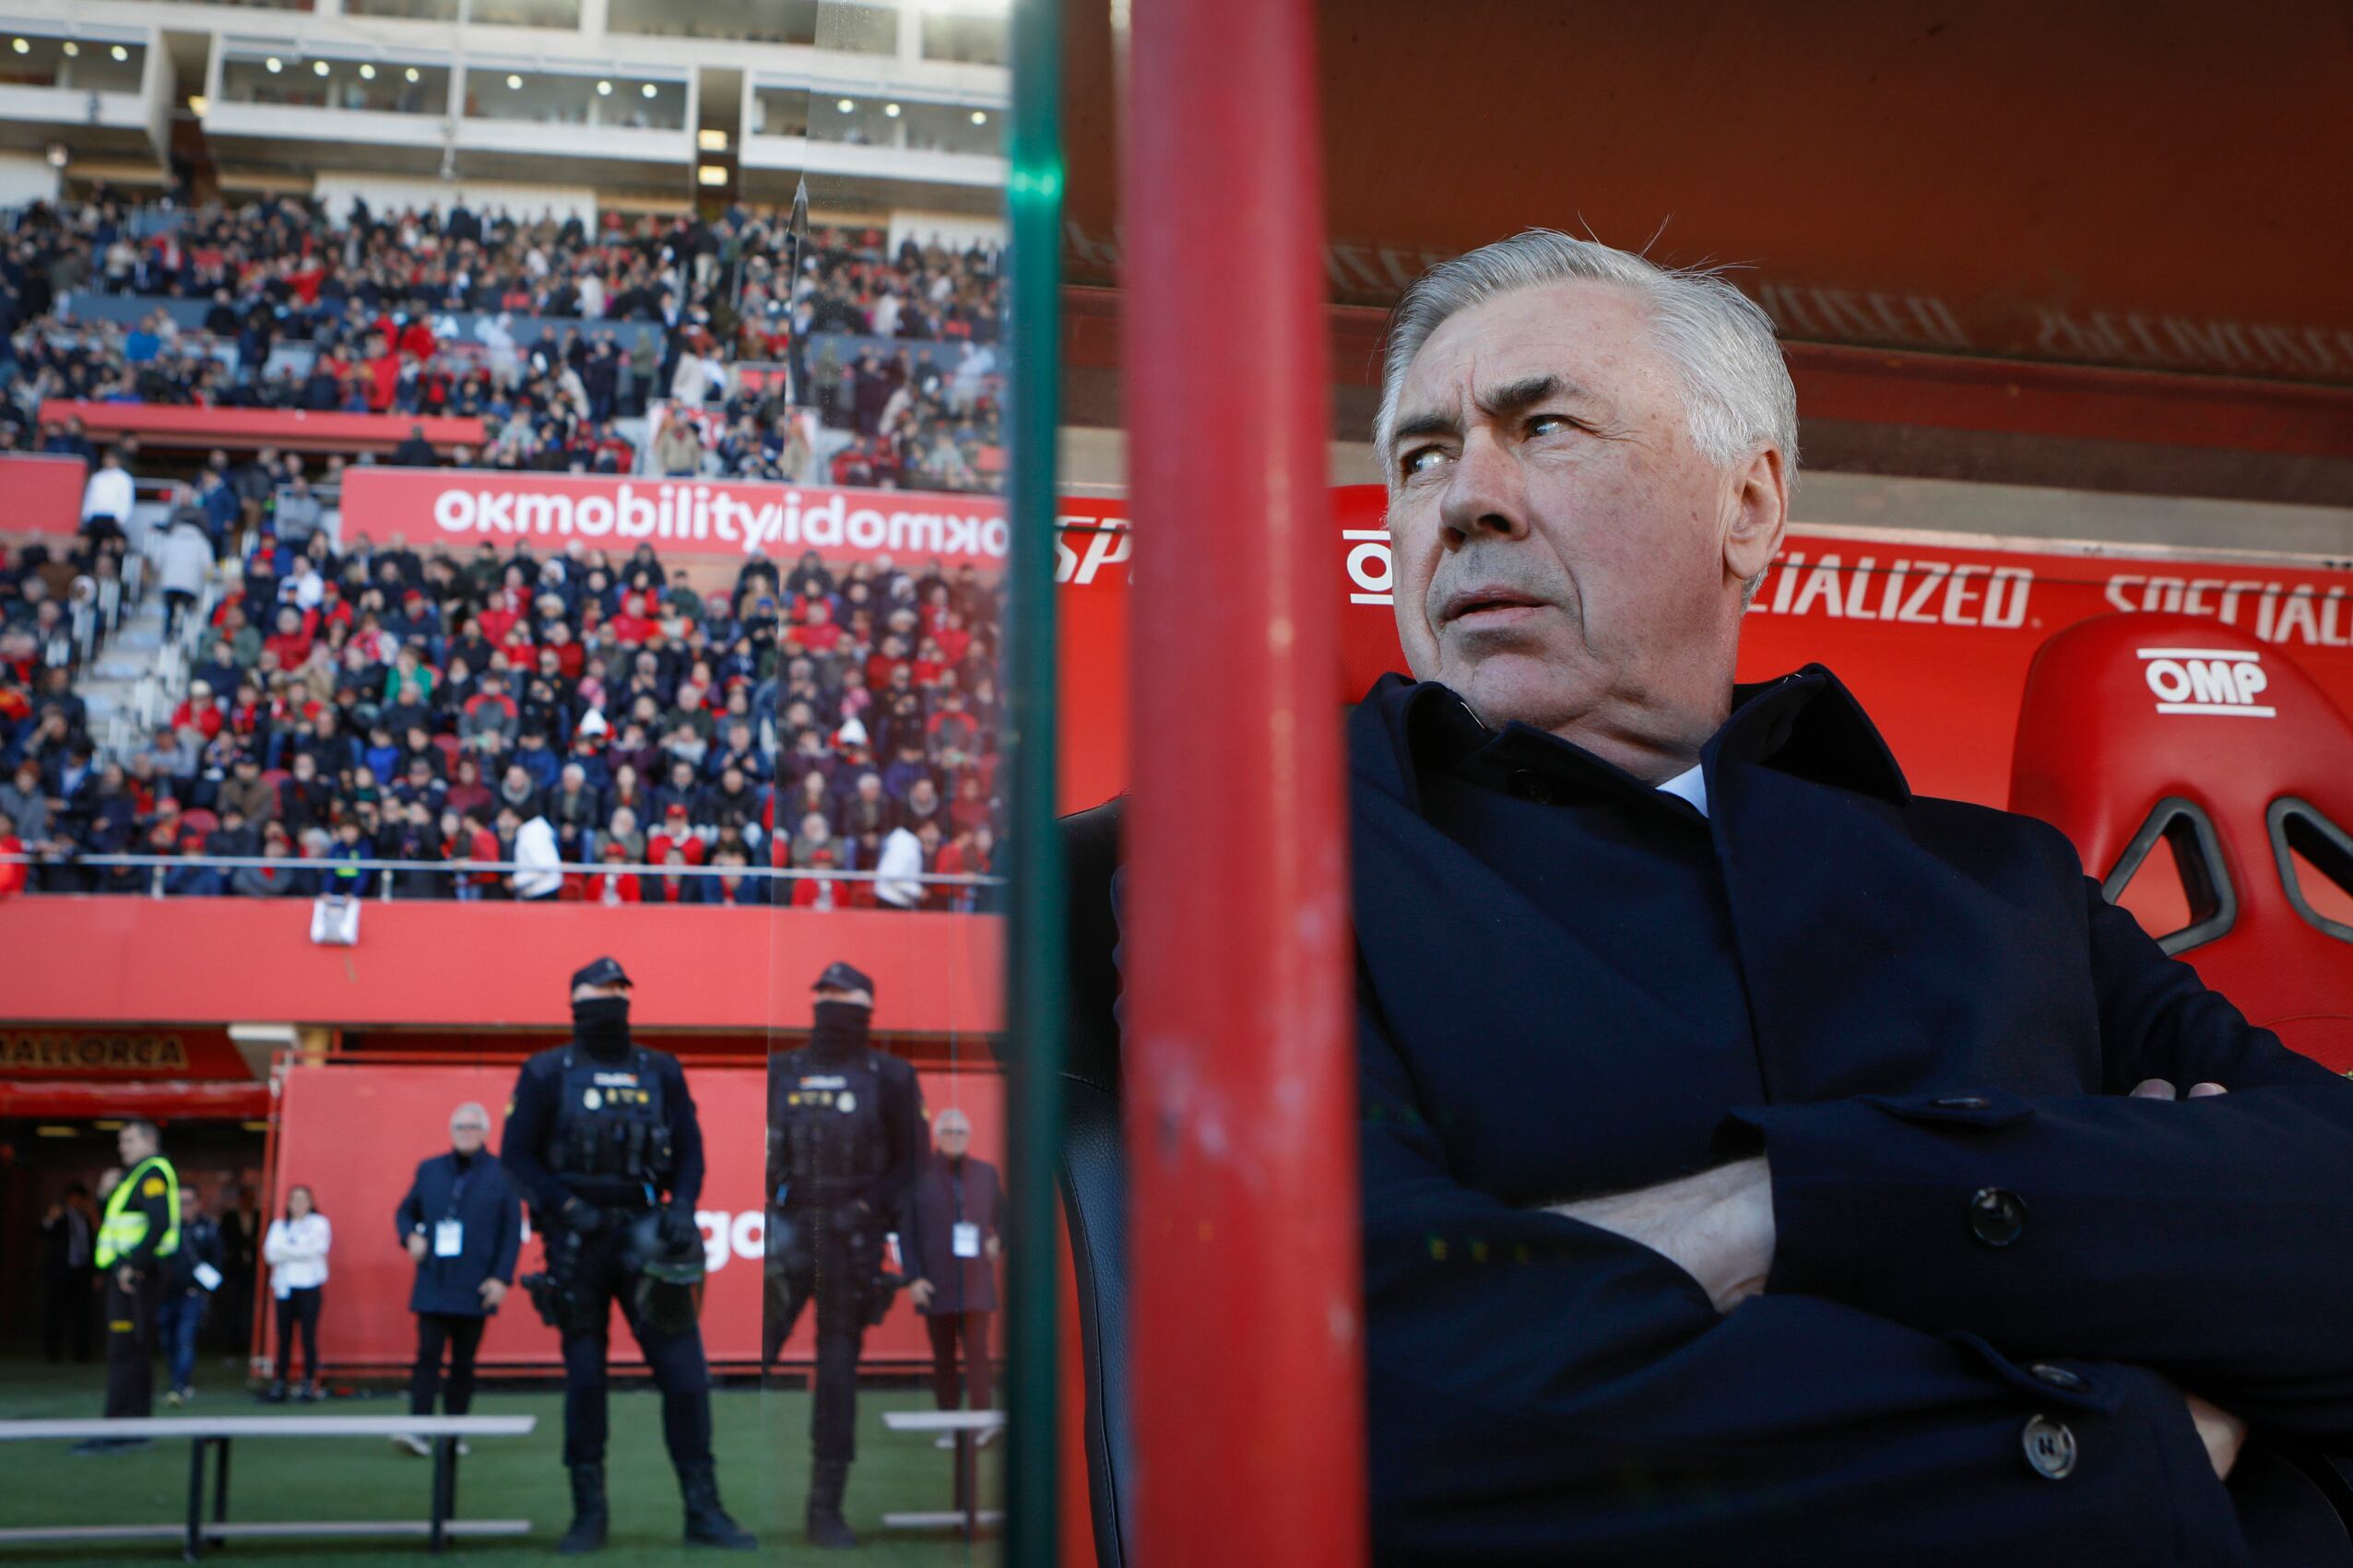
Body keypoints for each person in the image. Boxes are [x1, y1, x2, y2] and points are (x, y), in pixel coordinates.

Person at [1067, 229, 2353, 1561]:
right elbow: (1330, 1386)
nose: (1464, 499)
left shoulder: (2001, 879)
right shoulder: (1256, 857)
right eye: (1422, 454)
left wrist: (1773, 1211)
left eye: (1545, 427)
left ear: (1748, 508)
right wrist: (2111, 1417)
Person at [502, 957, 756, 1553]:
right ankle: (588, 1514)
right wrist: (566, 1207)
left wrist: (683, 1203)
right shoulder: (543, 1072)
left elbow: (691, 1148)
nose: (612, 998)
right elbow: (516, 1157)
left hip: (651, 1242)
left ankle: (704, 1510)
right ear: (575, 999)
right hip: (577, 1243)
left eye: (620, 989)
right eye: (600, 989)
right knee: (586, 1382)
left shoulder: (661, 1069)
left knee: (687, 1379)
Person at [765, 961, 932, 1549]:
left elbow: (913, 1166)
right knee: (751, 1360)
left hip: (850, 1243)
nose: (831, 1003)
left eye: (844, 994)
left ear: (867, 1002)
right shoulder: (781, 1068)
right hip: (787, 1239)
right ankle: (711, 1505)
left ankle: (824, 1510)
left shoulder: (890, 1076)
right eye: (825, 994)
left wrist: (864, 1212)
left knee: (837, 1378)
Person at [392, 1102, 521, 1456]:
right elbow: (405, 1212)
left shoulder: (503, 1172)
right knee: (427, 1356)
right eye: (460, 1127)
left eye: (472, 1127)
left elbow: (511, 1232)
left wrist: (501, 1279)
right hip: (434, 1279)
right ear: (451, 1132)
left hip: (476, 1284)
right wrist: (410, 1237)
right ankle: (418, 1431)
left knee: (463, 1363)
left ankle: (454, 1432)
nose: (466, 1132)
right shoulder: (430, 1169)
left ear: (485, 1132)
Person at [74, 1119, 177, 1454]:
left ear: (149, 1140)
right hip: (130, 1276)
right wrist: (105, 1195)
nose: (122, 1147)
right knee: (133, 1351)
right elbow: (122, 1222)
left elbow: (159, 1223)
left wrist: (134, 1265)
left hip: (134, 1280)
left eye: (128, 1140)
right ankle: (133, 1427)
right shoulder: (136, 1176)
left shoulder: (152, 1174)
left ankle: (120, 1429)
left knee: (125, 1352)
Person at [911, 1107, 1000, 1445]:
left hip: (976, 1282)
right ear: (937, 1136)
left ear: (969, 1135)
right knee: (943, 1357)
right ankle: (950, 1423)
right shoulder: (920, 1176)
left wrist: (998, 1238)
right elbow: (908, 1232)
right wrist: (913, 1278)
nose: (954, 1137)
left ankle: (983, 1422)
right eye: (948, 1132)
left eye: (960, 1132)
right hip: (937, 1282)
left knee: (977, 1354)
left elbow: (1003, 1219)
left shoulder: (986, 1174)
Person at [262, 1185, 331, 1402]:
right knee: (284, 1337)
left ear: (310, 1203)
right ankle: (280, 1381)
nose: (298, 1204)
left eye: (303, 1199)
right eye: (294, 1199)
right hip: (285, 1287)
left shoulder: (319, 1224)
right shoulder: (279, 1226)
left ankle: (309, 1382)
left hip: (310, 1286)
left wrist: (286, 1251)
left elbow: (317, 1249)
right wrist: (298, 1251)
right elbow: (270, 1254)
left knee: (308, 1336)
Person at [159, 1185, 225, 1405]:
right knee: (167, 1338)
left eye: (187, 1202)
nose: (183, 1207)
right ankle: (176, 1376)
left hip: (193, 1294)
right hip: (167, 1294)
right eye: (178, 1203)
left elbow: (218, 1260)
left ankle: (180, 1384)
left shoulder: (208, 1228)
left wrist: (204, 1286)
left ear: (198, 1204)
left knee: (184, 1338)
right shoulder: (165, 1227)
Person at [40, 1183, 96, 1364]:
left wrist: (97, 1272)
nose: (76, 1201)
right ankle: (53, 1354)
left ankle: (81, 1354)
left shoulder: (86, 1218)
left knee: (81, 1315)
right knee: (55, 1314)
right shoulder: (60, 1217)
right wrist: (50, 1218)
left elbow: (93, 1245)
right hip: (60, 1273)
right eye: (73, 1197)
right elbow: (43, 1232)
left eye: (80, 1197)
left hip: (81, 1273)